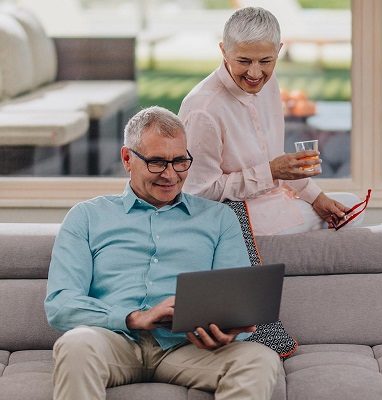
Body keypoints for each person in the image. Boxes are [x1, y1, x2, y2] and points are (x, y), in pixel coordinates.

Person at [44, 106, 281, 400]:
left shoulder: (219, 219)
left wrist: (230, 331)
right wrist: (133, 318)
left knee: (260, 358)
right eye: (157, 162)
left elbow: (237, 301)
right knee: (76, 344)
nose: (170, 175)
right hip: (113, 342)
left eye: (180, 161)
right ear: (127, 159)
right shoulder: (87, 216)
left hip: (188, 349)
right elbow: (60, 304)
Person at [179, 6, 361, 236]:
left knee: (350, 206)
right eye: (244, 61)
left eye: (265, 61)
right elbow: (197, 193)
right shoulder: (202, 109)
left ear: (279, 50)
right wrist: (270, 172)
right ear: (224, 51)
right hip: (232, 217)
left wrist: (316, 197)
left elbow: (276, 164)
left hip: (272, 200)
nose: (255, 74)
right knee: (344, 219)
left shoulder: (269, 82)